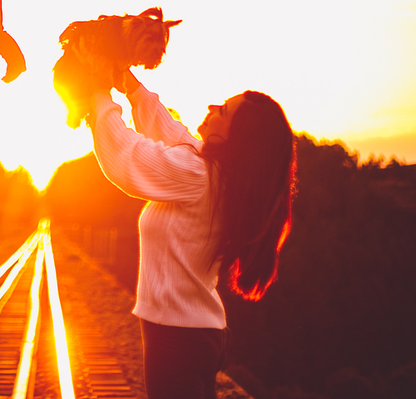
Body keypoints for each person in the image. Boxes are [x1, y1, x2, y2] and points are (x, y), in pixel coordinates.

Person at [79, 67, 296, 399]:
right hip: (193, 333)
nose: (211, 107)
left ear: (235, 137)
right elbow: (170, 132)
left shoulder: (199, 175)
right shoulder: (215, 173)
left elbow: (126, 157)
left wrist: (98, 95)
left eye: (222, 110)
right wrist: (130, 85)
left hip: (177, 338)